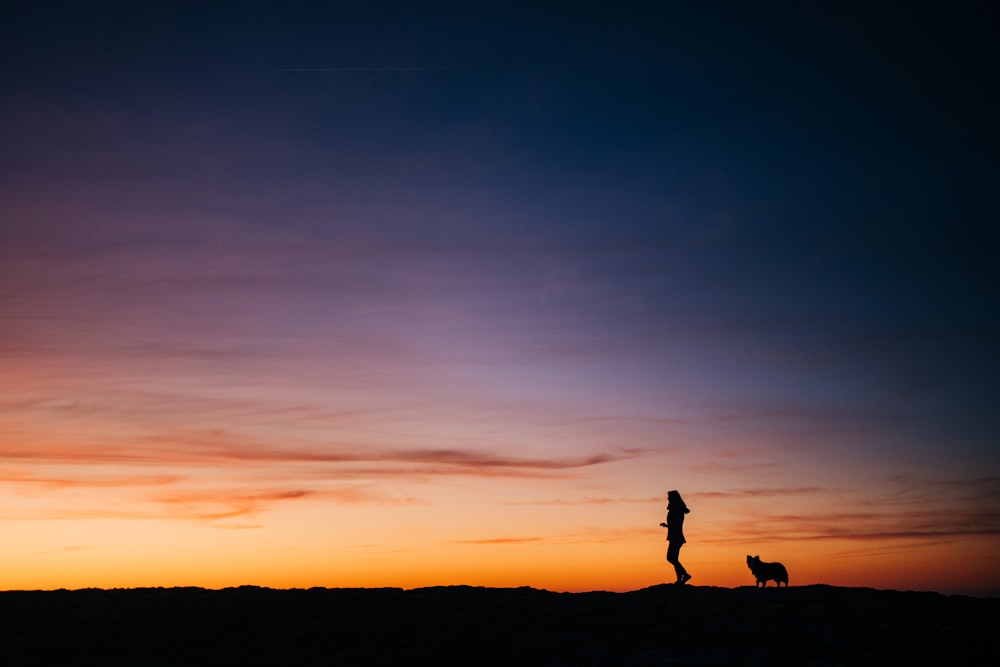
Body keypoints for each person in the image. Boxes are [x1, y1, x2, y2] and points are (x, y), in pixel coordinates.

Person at [659, 490, 691, 584]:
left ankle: (685, 575)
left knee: (670, 558)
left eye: (669, 497)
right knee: (674, 558)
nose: (668, 499)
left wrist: (668, 525)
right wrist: (667, 526)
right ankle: (680, 579)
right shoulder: (676, 509)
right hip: (674, 536)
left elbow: (676, 524)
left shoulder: (676, 510)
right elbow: (674, 524)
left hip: (676, 537)